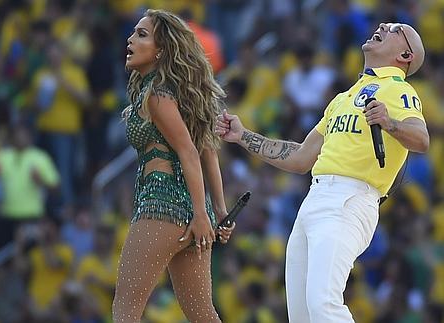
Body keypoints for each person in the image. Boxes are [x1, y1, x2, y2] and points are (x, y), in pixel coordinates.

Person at [216, 23, 429, 322]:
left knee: (323, 304)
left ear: (405, 55)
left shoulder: (398, 88)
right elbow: (301, 157)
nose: (383, 26)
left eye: (395, 29)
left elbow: (421, 139)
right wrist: (243, 136)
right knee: (302, 315)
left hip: (350, 199)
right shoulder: (343, 98)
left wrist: (390, 122)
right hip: (316, 198)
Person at [112, 9, 235, 322]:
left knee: (125, 311)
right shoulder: (180, 93)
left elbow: (190, 152)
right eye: (133, 32)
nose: (130, 39)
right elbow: (208, 150)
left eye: (142, 34)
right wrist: (216, 211)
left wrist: (201, 213)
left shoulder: (156, 95)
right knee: (202, 313)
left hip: (161, 206)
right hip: (193, 213)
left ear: (161, 49)